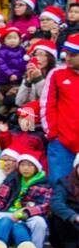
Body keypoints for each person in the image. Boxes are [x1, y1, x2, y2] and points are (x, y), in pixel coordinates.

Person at [42, 34, 79, 186]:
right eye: (66, 54)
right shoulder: (56, 74)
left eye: (73, 55)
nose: (67, 58)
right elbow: (46, 104)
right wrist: (52, 133)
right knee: (59, 187)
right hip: (62, 141)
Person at [48, 150, 79, 248]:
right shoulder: (64, 182)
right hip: (71, 224)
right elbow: (56, 203)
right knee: (59, 215)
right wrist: (74, 216)